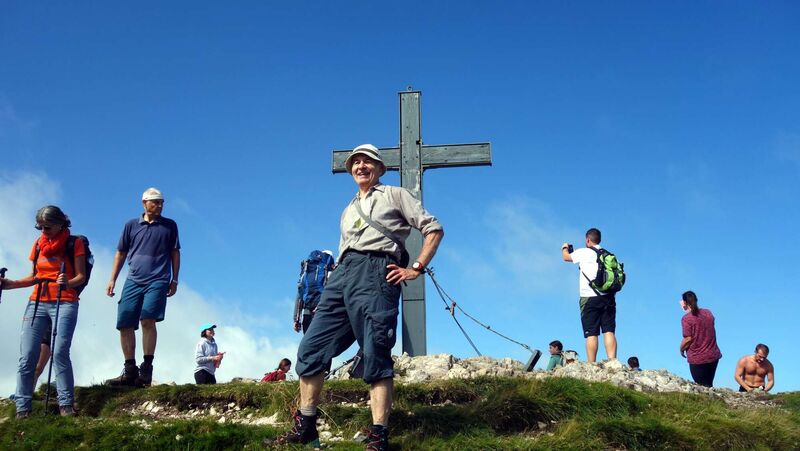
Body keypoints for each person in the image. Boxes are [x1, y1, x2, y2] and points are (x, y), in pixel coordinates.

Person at [270, 144, 444, 451]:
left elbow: (433, 229)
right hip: (343, 275)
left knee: (376, 352)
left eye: (367, 162)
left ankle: (379, 436)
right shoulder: (348, 208)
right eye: (356, 162)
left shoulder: (395, 194)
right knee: (312, 348)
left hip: (377, 271)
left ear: (378, 167)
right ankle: (306, 427)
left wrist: (415, 267)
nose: (360, 166)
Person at [1, 205, 86, 418]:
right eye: (40, 227)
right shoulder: (38, 244)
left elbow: (81, 277)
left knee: (59, 352)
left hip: (64, 301)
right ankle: (23, 408)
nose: (43, 231)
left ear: (60, 224)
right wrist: (10, 284)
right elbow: (34, 276)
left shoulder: (74, 243)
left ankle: (66, 404)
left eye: (47, 227)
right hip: (37, 301)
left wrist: (67, 282)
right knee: (27, 355)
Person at [105, 187, 181, 387]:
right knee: (124, 322)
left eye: (162, 202)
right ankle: (130, 370)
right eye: (155, 201)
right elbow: (120, 253)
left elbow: (175, 252)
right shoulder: (131, 225)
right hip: (133, 279)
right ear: (144, 203)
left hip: (158, 279)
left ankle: (146, 369)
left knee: (148, 319)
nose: (160, 205)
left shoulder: (170, 226)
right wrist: (112, 278)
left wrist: (174, 279)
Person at [562, 228, 618, 362]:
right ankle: (612, 361)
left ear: (588, 239)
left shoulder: (584, 252)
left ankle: (592, 364)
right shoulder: (608, 255)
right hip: (608, 297)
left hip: (589, 297)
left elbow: (566, 257)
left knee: (591, 333)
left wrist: (564, 247)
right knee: (609, 331)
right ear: (599, 239)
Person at [678, 291, 722, 387]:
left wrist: (681, 349)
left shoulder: (686, 319)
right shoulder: (708, 313)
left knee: (701, 386)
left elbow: (688, 339)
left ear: (685, 303)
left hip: (698, 358)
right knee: (709, 384)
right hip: (713, 355)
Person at [293, 250, 336, 334]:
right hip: (323, 312)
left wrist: (296, 319)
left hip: (307, 314)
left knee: (309, 344)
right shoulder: (329, 271)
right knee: (325, 344)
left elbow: (299, 295)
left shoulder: (306, 272)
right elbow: (332, 291)